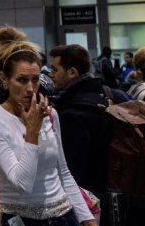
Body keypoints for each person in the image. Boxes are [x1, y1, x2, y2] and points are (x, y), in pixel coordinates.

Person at [0, 38, 96, 226]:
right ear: (4, 80)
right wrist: (32, 132)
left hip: (64, 215)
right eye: (22, 80)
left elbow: (63, 171)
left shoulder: (50, 115)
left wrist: (86, 216)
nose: (30, 88)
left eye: (35, 80)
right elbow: (22, 184)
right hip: (22, 219)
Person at [48, 44, 127, 195]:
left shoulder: (72, 113)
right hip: (123, 190)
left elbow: (72, 172)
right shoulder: (115, 95)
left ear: (72, 72)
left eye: (55, 69)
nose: (51, 75)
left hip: (89, 198)